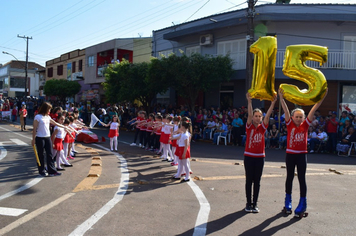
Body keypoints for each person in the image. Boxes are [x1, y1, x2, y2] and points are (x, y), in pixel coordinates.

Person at [279, 88, 328, 217]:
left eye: (301, 117)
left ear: (304, 118)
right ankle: (288, 201)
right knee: (289, 177)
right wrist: (281, 98)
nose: (299, 119)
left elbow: (314, 108)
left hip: (301, 154)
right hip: (290, 154)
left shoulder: (305, 125)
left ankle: (302, 203)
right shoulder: (290, 124)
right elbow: (285, 110)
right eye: (297, 117)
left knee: (302, 178)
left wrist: (322, 97)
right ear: (292, 117)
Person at [244, 93, 277, 213]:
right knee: (249, 180)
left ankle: (255, 203)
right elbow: (249, 114)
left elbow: (267, 116)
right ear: (253, 117)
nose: (258, 118)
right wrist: (249, 101)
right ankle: (248, 203)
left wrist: (273, 103)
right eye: (256, 116)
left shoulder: (263, 128)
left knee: (257, 181)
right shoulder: (249, 127)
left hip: (260, 157)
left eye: (259, 116)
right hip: (248, 156)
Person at [31, 102, 71, 177]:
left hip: (47, 137)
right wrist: (33, 139)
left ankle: (52, 170)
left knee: (50, 154)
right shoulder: (38, 117)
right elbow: (34, 128)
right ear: (45, 109)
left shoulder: (48, 117)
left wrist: (64, 127)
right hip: (40, 138)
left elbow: (56, 123)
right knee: (41, 155)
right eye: (49, 109)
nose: (50, 111)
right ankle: (42, 170)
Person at [171, 118, 192, 183]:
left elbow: (186, 145)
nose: (180, 128)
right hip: (180, 148)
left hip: (183, 149)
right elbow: (174, 137)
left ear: (183, 127)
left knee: (185, 164)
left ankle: (187, 176)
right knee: (180, 163)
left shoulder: (186, 135)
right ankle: (178, 174)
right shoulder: (182, 134)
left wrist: (184, 153)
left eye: (181, 126)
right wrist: (172, 132)